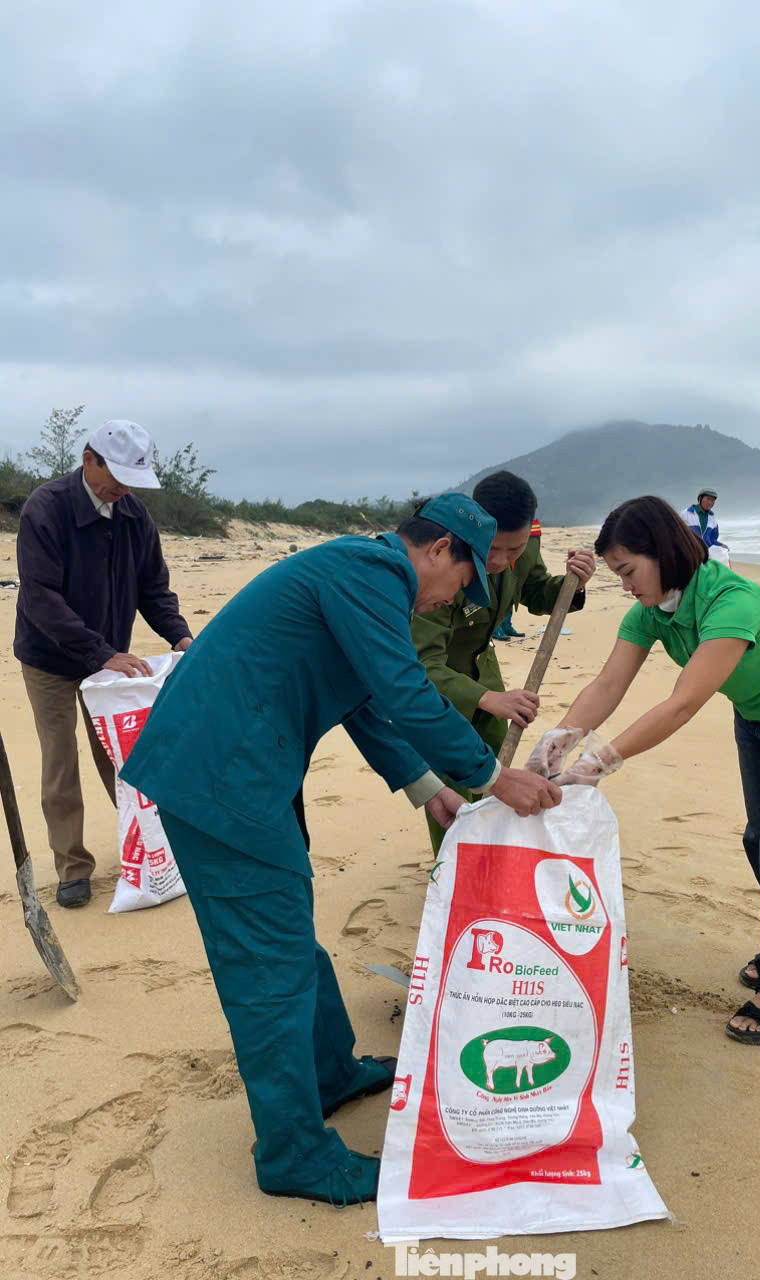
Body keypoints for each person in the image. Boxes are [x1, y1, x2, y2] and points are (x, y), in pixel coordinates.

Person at [119, 493, 562, 1207]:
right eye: (464, 583)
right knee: (267, 965)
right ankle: (295, 1154)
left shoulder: (362, 576)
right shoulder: (370, 573)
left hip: (248, 766)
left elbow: (366, 702)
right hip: (220, 778)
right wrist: (488, 777)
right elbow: (404, 687)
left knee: (288, 931)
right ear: (440, 549)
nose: (455, 602)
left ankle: (328, 1072)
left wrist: (429, 789)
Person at [526, 496, 760, 1046]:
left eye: (629, 571)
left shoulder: (731, 601)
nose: (626, 587)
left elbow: (681, 703)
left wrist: (598, 763)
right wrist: (556, 744)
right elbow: (608, 685)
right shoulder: (651, 612)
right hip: (756, 717)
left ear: (663, 551)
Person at [14, 420, 192, 908]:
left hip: (108, 661)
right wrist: (101, 652)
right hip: (50, 656)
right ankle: (73, 867)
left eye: (130, 481)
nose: (121, 490)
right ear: (87, 459)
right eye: (114, 476)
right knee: (59, 760)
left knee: (123, 757)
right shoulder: (46, 510)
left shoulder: (133, 517)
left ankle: (150, 849)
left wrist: (179, 635)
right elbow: (41, 598)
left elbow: (153, 589)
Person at [412, 474, 595, 852]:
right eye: (492, 549)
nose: (500, 561)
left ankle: (492, 852)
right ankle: (454, 864)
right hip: (438, 689)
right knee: (450, 780)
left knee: (497, 768)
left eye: (513, 551)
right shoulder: (442, 563)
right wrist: (484, 698)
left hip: (486, 673)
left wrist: (571, 584)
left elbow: (535, 590)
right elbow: (420, 663)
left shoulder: (523, 545)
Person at [492, 519, 542, 640]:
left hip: (526, 532)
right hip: (507, 533)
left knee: (514, 587)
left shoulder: (531, 520)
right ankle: (495, 627)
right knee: (499, 588)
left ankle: (506, 624)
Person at [681, 487, 730, 567]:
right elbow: (679, 536)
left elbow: (712, 539)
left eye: (712, 500)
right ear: (700, 499)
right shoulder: (686, 514)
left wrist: (720, 545)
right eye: (708, 499)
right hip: (690, 554)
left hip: (706, 555)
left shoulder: (712, 518)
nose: (710, 502)